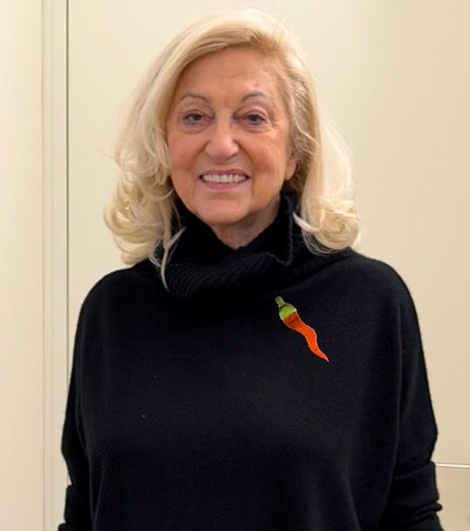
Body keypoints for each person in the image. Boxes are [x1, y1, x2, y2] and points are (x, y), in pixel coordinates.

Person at [58, 8, 444, 531]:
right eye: (194, 117)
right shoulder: (112, 311)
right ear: (164, 144)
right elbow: (85, 509)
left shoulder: (369, 302)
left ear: (295, 151)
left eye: (253, 117)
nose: (221, 144)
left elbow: (408, 513)